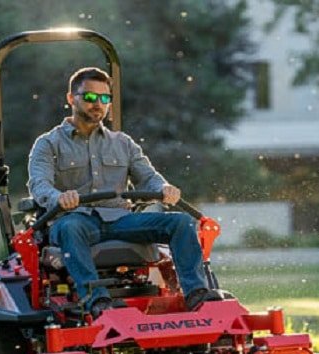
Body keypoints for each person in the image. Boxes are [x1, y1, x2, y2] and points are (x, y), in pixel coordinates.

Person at [28, 67, 221, 318]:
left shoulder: (123, 143)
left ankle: (196, 294)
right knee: (69, 228)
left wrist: (163, 188)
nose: (97, 104)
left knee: (181, 222)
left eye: (104, 98)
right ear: (70, 98)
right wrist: (58, 198)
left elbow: (149, 177)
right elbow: (39, 184)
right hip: (76, 220)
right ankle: (97, 301)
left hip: (120, 219)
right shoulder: (48, 143)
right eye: (89, 97)